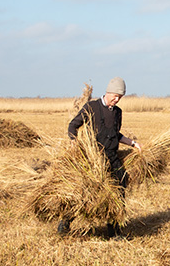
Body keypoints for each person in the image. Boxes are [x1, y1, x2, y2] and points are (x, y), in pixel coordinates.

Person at [60, 77, 141, 237]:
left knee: (119, 189)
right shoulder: (92, 107)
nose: (117, 100)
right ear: (108, 92)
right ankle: (66, 221)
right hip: (94, 159)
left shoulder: (118, 112)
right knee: (85, 193)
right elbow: (73, 125)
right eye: (115, 96)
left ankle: (114, 232)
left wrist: (133, 143)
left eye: (120, 97)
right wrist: (73, 142)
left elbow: (116, 134)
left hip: (112, 158)